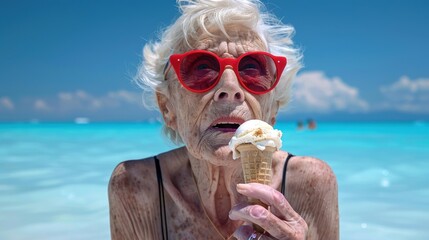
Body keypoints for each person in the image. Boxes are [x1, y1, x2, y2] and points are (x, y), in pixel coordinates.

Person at [108, 0, 339, 239]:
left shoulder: (310, 183)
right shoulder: (135, 186)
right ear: (167, 108)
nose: (229, 87)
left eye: (252, 69)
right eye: (202, 69)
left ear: (273, 109)